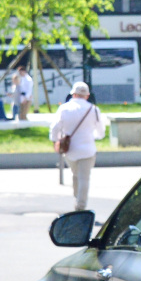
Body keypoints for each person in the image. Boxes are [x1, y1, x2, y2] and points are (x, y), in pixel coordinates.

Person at [49, 82, 104, 212]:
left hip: (70, 150)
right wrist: (93, 136)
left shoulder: (64, 108)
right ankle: (80, 206)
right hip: (88, 149)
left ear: (73, 94)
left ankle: (77, 199)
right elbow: (101, 132)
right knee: (84, 178)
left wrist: (55, 141)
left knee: (75, 175)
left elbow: (55, 127)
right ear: (87, 95)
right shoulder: (93, 109)